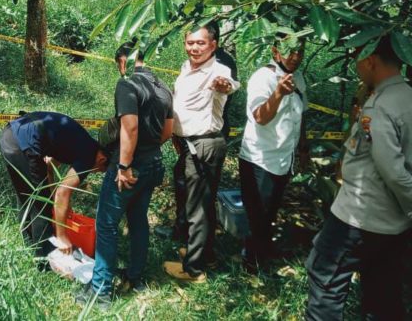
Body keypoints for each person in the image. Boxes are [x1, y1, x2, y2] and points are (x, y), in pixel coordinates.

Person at [305, 36, 412, 320]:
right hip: (393, 223)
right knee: (383, 290)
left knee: (324, 277)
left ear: (370, 59)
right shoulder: (406, 97)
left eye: (358, 60)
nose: (357, 68)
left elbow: (394, 171)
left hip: (360, 216)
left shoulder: (381, 106)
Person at [76, 41, 173, 308]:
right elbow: (168, 129)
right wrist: (148, 150)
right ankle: (135, 276)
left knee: (106, 225)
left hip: (131, 168)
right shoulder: (163, 86)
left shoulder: (127, 84)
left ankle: (100, 291)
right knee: (138, 219)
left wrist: (124, 166)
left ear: (122, 61)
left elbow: (129, 128)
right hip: (154, 163)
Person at [164, 24, 239, 283]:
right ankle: (205, 253)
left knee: (197, 207)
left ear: (213, 45)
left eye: (201, 43)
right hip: (190, 144)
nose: (194, 48)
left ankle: (193, 269)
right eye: (190, 43)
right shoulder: (188, 67)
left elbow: (228, 84)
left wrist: (223, 85)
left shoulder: (219, 70)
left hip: (204, 145)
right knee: (201, 204)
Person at [0, 111, 109, 267]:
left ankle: (30, 246)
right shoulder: (89, 156)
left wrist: (56, 202)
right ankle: (45, 261)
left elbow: (49, 168)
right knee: (41, 206)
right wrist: (62, 235)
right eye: (100, 170)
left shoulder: (80, 143)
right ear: (102, 159)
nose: (94, 172)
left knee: (28, 198)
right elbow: (63, 192)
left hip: (9, 136)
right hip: (24, 143)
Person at [239, 36, 308, 271]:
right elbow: (260, 117)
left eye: (300, 51)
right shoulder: (263, 77)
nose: (295, 57)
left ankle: (264, 251)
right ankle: (252, 262)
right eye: (290, 51)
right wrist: (278, 93)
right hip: (261, 158)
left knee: (270, 210)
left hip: (283, 157)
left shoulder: (298, 78)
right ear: (275, 51)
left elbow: (301, 115)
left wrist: (303, 150)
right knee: (257, 214)